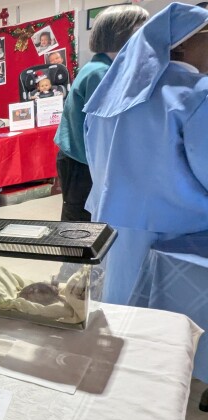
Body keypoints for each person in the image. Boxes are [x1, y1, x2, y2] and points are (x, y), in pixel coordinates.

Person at [83, 2, 208, 305]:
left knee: (124, 318)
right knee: (178, 333)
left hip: (113, 232)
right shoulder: (195, 94)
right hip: (179, 241)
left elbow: (94, 164)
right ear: (190, 41)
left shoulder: (105, 98)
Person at [53, 5, 148, 223]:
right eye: (138, 31)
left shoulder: (103, 67)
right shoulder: (101, 73)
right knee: (79, 217)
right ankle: (73, 257)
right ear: (121, 35)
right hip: (80, 160)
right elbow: (103, 128)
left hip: (80, 157)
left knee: (82, 213)